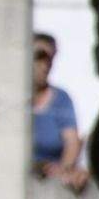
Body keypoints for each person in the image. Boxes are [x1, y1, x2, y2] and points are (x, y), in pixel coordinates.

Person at [31, 31, 88, 190]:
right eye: (40, 55)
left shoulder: (61, 99)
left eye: (51, 58)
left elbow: (72, 142)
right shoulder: (9, 99)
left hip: (52, 183)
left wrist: (64, 169)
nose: (46, 64)